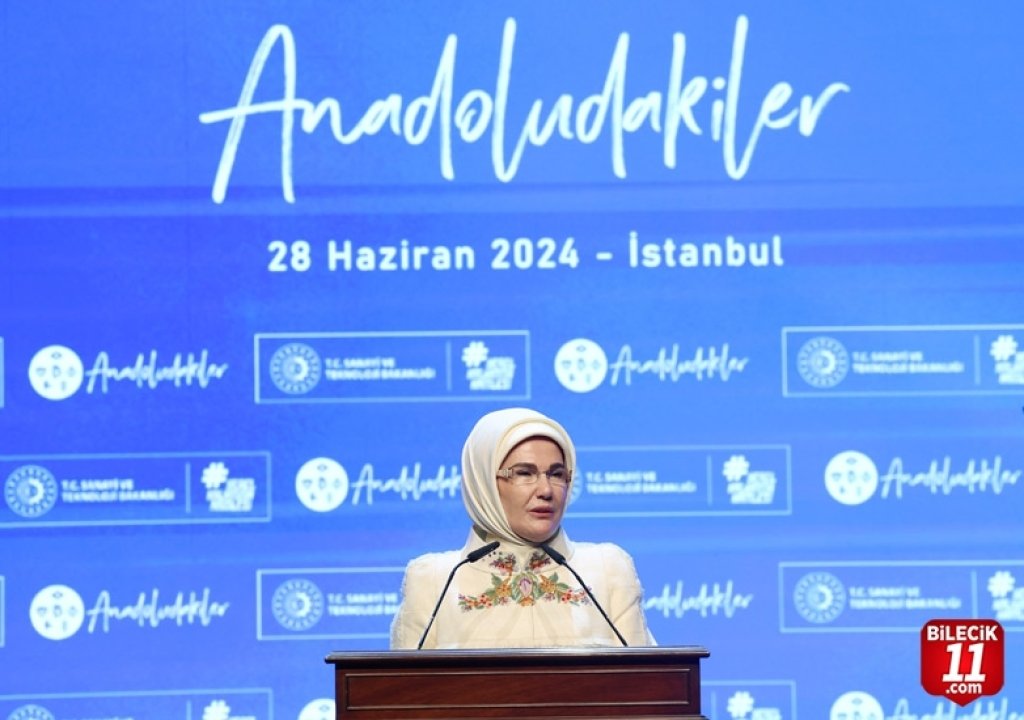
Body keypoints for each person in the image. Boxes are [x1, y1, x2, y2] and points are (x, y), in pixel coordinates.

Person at [390, 407, 655, 649]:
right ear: (483, 482)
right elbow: (405, 686)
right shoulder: (433, 581)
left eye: (557, 474)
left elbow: (645, 680)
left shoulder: (608, 570)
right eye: (525, 473)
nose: (546, 490)